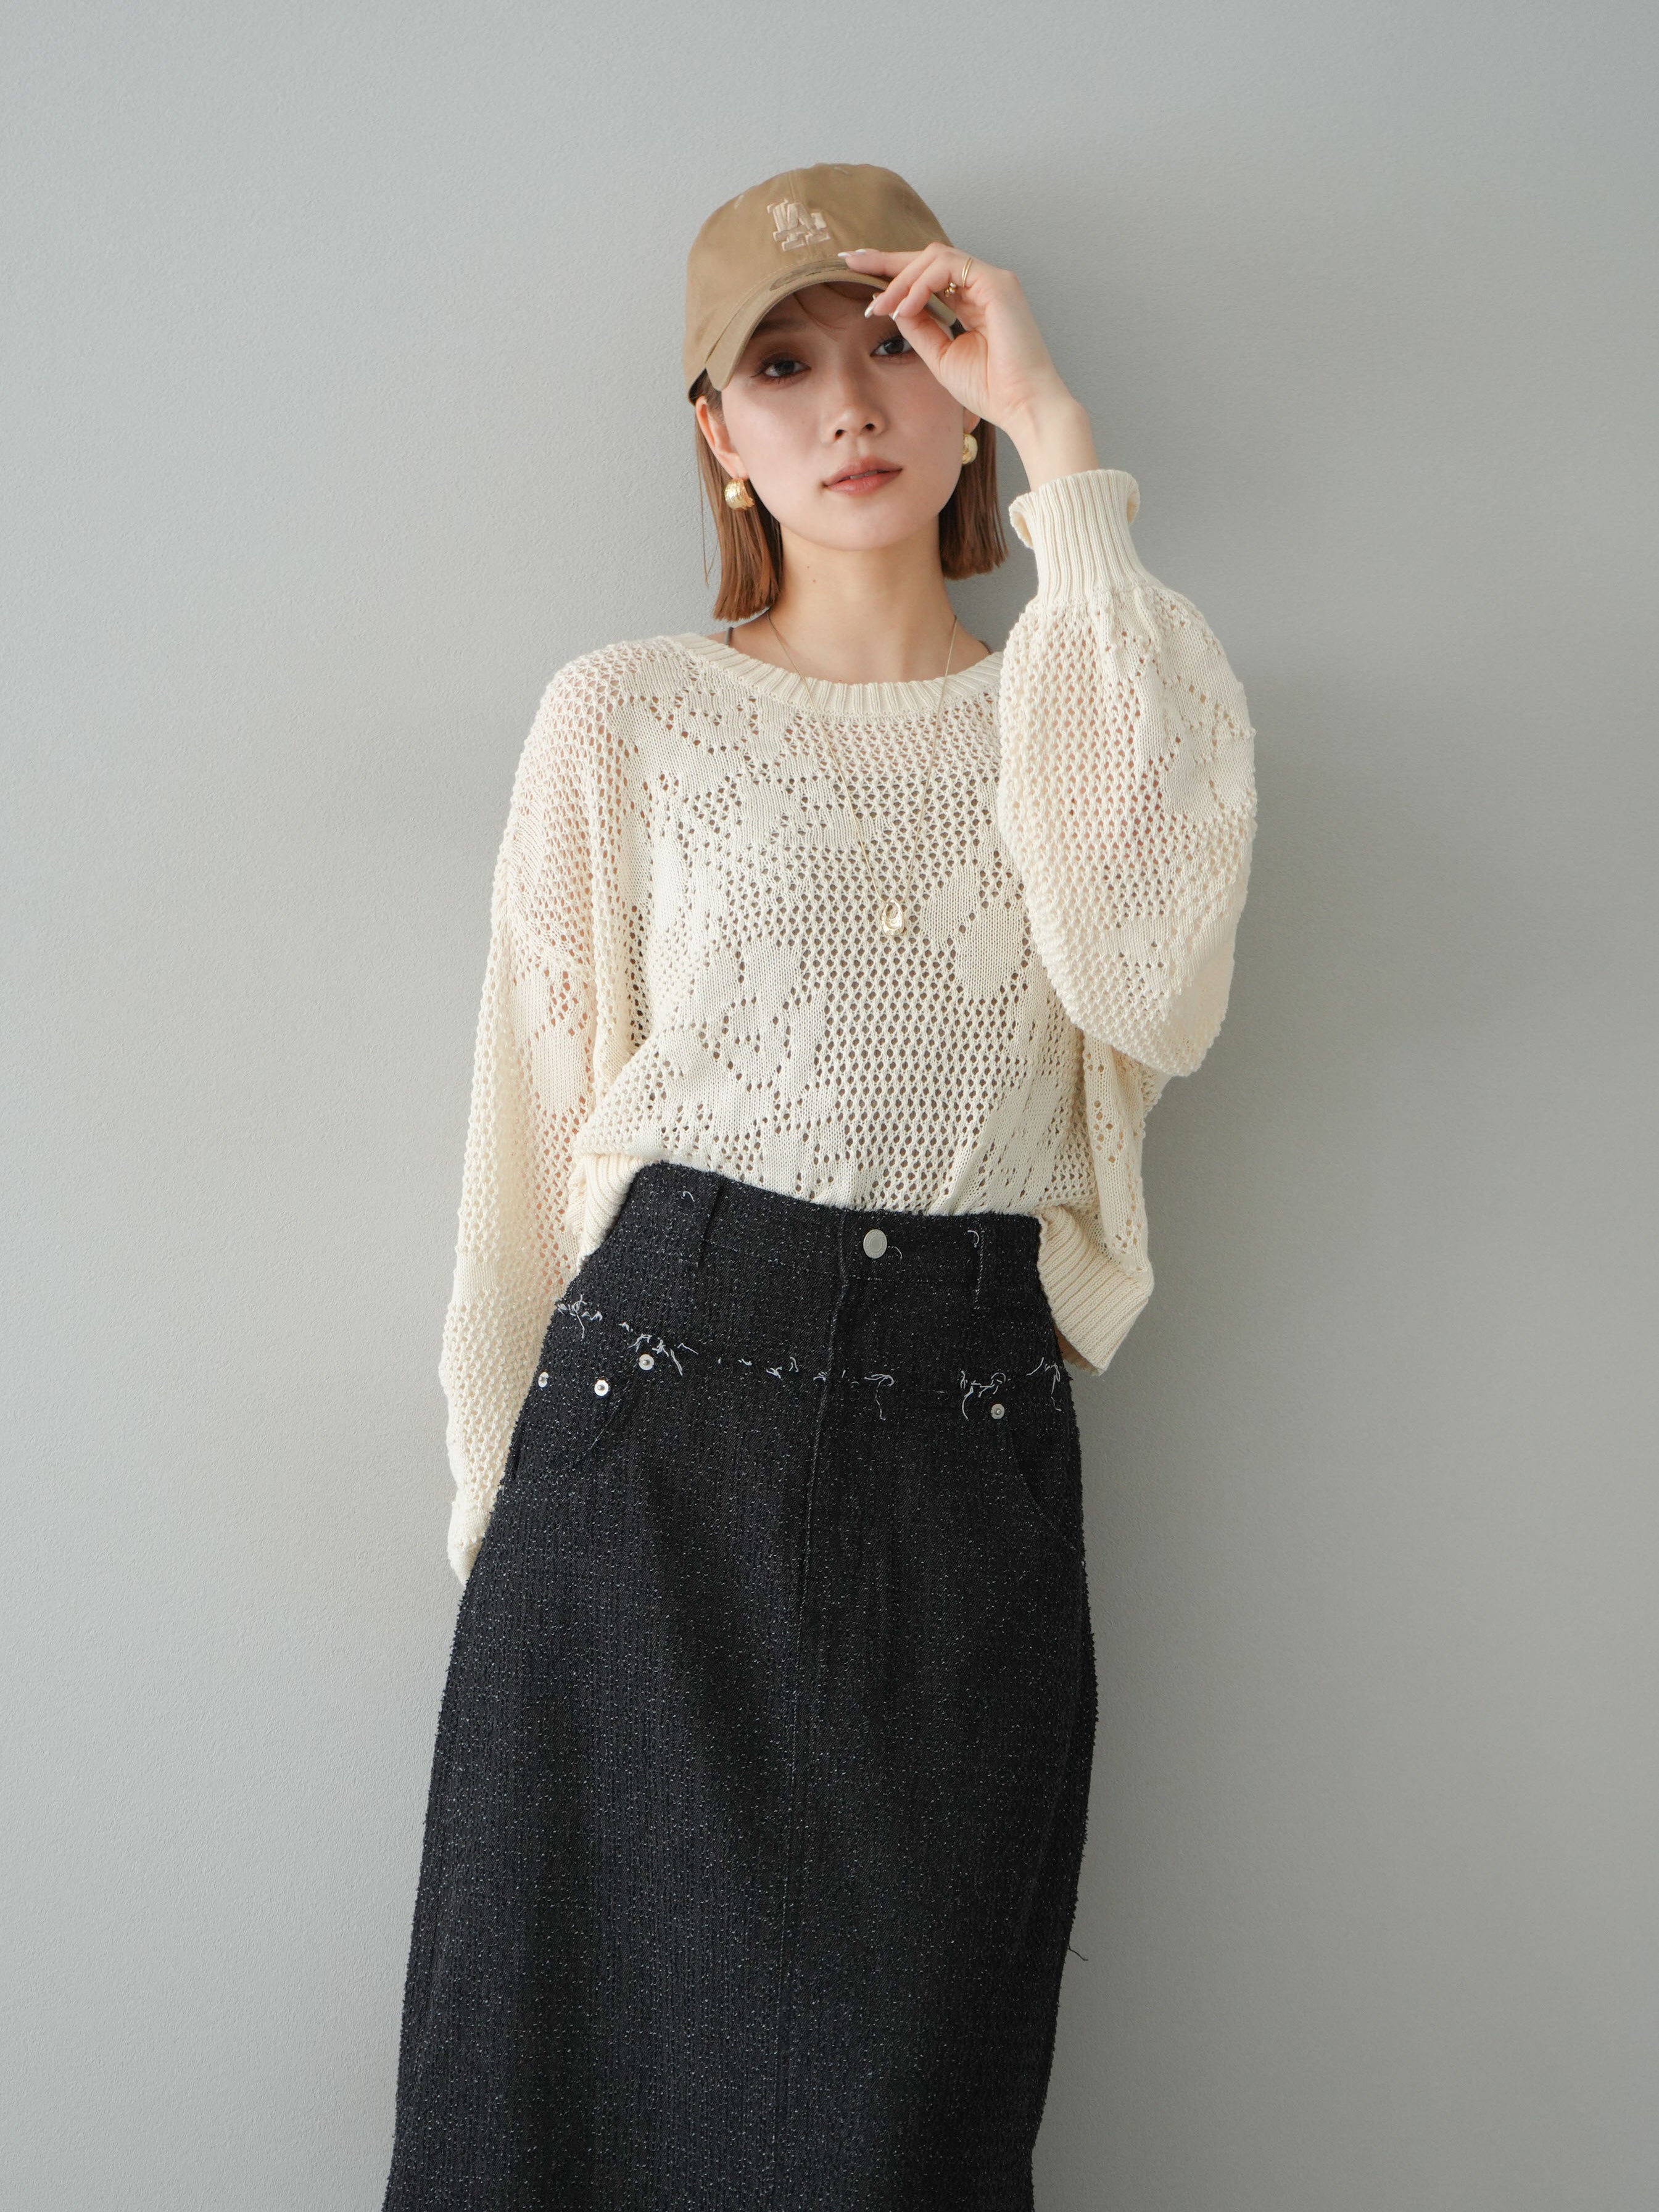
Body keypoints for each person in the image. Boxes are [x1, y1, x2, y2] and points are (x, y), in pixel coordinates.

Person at [381, 161, 1256, 2210]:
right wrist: (504, 1530)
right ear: (718, 433)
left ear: (961, 397)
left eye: (897, 345)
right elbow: (526, 1131)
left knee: (902, 2127)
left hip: (960, 1446)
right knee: (551, 2110)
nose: (848, 404)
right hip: (642, 1451)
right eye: (779, 367)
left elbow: (1154, 983)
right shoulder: (625, 713)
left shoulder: (1084, 694)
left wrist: (1059, 445)